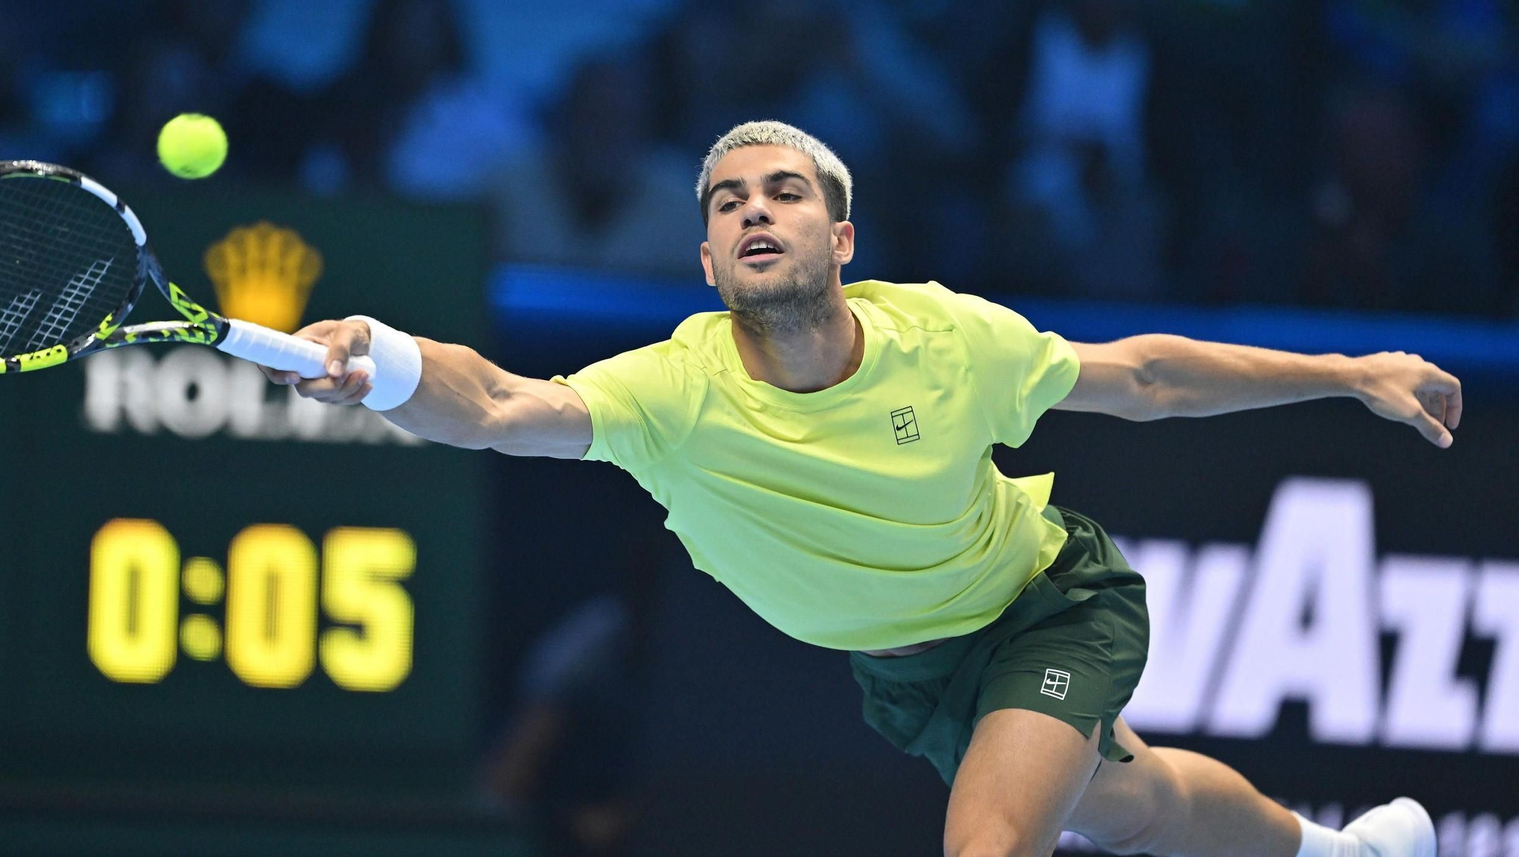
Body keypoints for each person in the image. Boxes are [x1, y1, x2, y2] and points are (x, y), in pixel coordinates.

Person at [261, 121, 1458, 857]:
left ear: (840, 239)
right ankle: (1332, 851)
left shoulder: (941, 338)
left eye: (781, 192)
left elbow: (1143, 376)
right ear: (707, 260)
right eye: (726, 204)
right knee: (1131, 808)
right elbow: (497, 404)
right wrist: (387, 358)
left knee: (989, 839)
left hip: (1044, 604)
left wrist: (1345, 371)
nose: (751, 212)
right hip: (909, 672)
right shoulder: (672, 388)